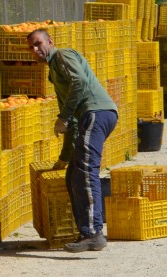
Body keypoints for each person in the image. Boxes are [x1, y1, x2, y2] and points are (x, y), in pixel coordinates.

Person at [26, 27, 119, 253]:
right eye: (31, 47)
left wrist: (64, 117)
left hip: (97, 113)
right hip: (91, 116)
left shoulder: (61, 56)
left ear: (50, 41)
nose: (35, 49)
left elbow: (79, 84)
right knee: (74, 175)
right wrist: (64, 159)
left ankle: (93, 233)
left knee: (86, 171)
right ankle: (86, 231)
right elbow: (72, 126)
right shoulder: (54, 72)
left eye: (38, 43)